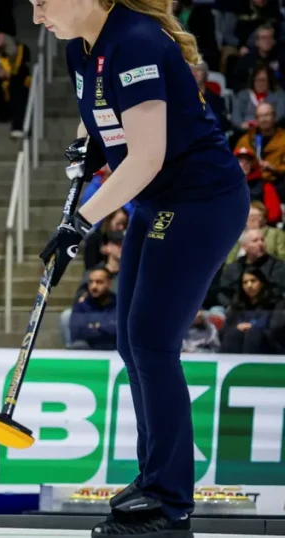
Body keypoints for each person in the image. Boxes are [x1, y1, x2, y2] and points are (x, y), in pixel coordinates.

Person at [32, 0, 250, 537]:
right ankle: (154, 478)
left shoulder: (137, 42)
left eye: (42, 2)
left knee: (152, 341)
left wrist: (79, 223)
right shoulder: (78, 48)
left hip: (201, 200)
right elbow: (106, 122)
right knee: (135, 344)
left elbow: (148, 155)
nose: (36, 16)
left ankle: (169, 503)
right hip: (158, 201)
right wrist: (87, 149)